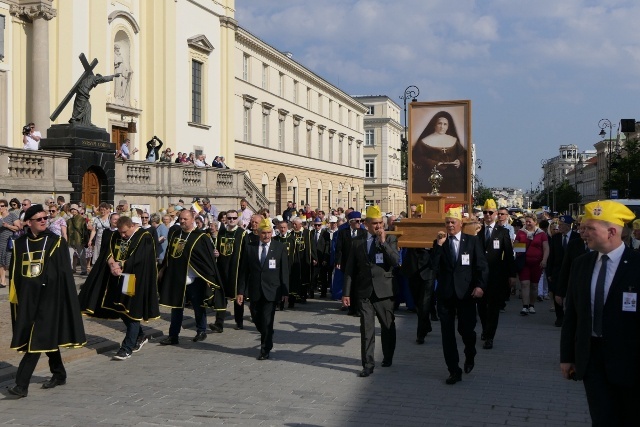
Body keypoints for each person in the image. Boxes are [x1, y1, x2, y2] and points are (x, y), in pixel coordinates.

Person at [560, 200, 639, 426]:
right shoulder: (582, 264)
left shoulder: (636, 265)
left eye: (590, 229)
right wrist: (567, 357)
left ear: (612, 231)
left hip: (630, 362)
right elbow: (572, 315)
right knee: (602, 419)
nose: (583, 234)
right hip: (593, 359)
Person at [7, 205, 86, 397]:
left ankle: (21, 385)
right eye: (39, 219)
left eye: (45, 218)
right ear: (28, 223)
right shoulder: (19, 244)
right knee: (45, 338)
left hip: (49, 299)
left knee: (36, 339)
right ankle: (59, 374)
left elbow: (60, 273)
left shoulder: (55, 242)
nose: (44, 221)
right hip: (28, 300)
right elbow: (15, 274)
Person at [78, 216, 159, 360]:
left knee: (131, 311)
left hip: (133, 279)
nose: (122, 235)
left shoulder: (144, 237)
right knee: (121, 309)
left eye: (125, 232)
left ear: (132, 226)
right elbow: (108, 251)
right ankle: (140, 335)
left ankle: (126, 348)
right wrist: (112, 264)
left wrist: (121, 264)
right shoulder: (116, 235)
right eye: (120, 232)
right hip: (116, 278)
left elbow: (140, 258)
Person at [432, 207, 488, 385]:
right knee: (447, 334)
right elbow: (433, 268)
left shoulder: (471, 241)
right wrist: (439, 247)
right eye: (447, 222)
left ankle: (470, 352)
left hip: (466, 294)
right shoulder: (440, 243)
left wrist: (480, 286)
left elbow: (482, 266)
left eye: (453, 222)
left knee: (466, 330)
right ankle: (453, 370)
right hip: (446, 295)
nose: (450, 225)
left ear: (460, 223)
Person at [342, 205, 399, 377]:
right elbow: (350, 269)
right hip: (365, 291)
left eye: (381, 223)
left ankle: (388, 356)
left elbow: (395, 261)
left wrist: (383, 243)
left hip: (384, 291)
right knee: (366, 329)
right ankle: (367, 363)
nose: (379, 226)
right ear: (366, 224)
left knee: (387, 326)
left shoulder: (389, 239)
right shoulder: (357, 242)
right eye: (375, 223)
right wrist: (346, 293)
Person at [158, 209, 224, 345]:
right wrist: (163, 271)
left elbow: (206, 259)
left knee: (198, 307)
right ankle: (173, 336)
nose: (182, 221)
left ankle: (201, 331)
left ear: (192, 219)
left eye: (185, 219)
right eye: (181, 219)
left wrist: (208, 278)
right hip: (178, 279)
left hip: (195, 279)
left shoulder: (201, 237)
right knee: (176, 308)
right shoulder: (176, 234)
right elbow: (170, 255)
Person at [237, 218, 289, 360]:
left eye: (269, 233)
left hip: (272, 290)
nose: (266, 236)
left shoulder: (279, 247)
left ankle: (265, 349)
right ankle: (267, 333)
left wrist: (285, 292)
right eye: (264, 233)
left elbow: (284, 271)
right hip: (254, 290)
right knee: (256, 318)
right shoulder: (250, 247)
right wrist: (240, 291)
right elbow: (243, 272)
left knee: (267, 320)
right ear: (258, 233)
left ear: (272, 233)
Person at [477, 199, 515, 350]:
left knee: (493, 307)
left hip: (496, 275)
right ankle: (485, 328)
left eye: (490, 212)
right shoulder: (477, 232)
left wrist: (511, 274)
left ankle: (490, 336)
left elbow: (509, 255)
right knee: (481, 306)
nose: (488, 215)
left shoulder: (502, 232)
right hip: (480, 276)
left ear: (496, 214)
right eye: (485, 212)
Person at [412, 111, 466, 194]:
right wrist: (435, 163)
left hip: (452, 180)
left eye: (445, 124)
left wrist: (459, 161)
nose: (442, 127)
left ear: (448, 126)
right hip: (431, 179)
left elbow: (463, 154)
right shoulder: (424, 142)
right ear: (434, 125)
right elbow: (418, 157)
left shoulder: (454, 141)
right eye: (439, 124)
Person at [210, 209, 246, 332]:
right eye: (229, 218)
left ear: (237, 219)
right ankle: (219, 323)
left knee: (237, 296)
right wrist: (216, 253)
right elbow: (218, 247)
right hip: (222, 268)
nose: (231, 220)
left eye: (234, 218)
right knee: (220, 296)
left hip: (236, 268)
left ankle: (239, 321)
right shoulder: (222, 232)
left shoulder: (242, 234)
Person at [546, 215, 580, 327]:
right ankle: (559, 317)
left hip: (572, 270)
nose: (560, 227)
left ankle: (570, 316)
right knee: (557, 293)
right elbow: (551, 256)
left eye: (563, 225)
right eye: (559, 225)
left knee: (571, 294)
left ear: (568, 226)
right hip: (557, 271)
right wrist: (549, 272)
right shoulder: (555, 238)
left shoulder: (577, 237)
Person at [514, 214, 549, 315]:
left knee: (534, 285)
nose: (527, 224)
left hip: (537, 263)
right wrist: (523, 245)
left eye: (529, 222)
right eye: (526, 222)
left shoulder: (541, 234)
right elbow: (515, 246)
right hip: (524, 262)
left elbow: (546, 248)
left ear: (535, 222)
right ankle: (525, 306)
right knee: (525, 284)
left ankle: (531, 305)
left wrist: (544, 260)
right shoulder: (521, 232)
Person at [0, 199, 21, 288]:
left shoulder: (11, 215)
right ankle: (3, 281)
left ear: (6, 207)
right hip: (0, 242)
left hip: (9, 241)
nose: (0, 208)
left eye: (2, 206)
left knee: (9, 261)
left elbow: (18, 227)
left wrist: (7, 226)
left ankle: (16, 279)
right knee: (0, 262)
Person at [66, 204, 88, 275]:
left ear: (77, 210)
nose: (73, 211)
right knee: (69, 255)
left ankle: (84, 270)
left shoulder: (82, 219)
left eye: (74, 209)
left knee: (82, 255)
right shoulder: (69, 220)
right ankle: (71, 269)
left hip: (79, 239)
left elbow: (84, 231)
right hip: (70, 240)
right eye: (71, 209)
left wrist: (85, 240)